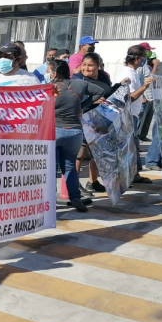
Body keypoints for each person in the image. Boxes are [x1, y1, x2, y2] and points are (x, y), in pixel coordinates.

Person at [74, 52, 126, 194]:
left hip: (101, 121)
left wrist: (119, 86)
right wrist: (91, 101)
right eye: (84, 65)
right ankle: (75, 185)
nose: (86, 68)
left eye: (90, 65)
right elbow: (74, 103)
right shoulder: (78, 80)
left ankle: (93, 182)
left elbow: (108, 94)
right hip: (83, 122)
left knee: (97, 154)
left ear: (98, 66)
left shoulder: (103, 76)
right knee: (79, 155)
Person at [50, 59, 92, 212]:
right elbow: (102, 91)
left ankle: (50, 201)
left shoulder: (51, 88)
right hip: (75, 132)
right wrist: (83, 105)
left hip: (55, 131)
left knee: (51, 169)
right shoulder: (80, 84)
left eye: (49, 71)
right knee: (69, 167)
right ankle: (75, 198)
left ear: (54, 73)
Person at [114, 45, 155, 185]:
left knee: (133, 146)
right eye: (143, 58)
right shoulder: (129, 73)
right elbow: (129, 97)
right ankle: (124, 177)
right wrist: (144, 86)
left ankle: (133, 174)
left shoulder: (133, 72)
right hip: (127, 115)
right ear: (137, 59)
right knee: (127, 147)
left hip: (132, 114)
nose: (144, 60)